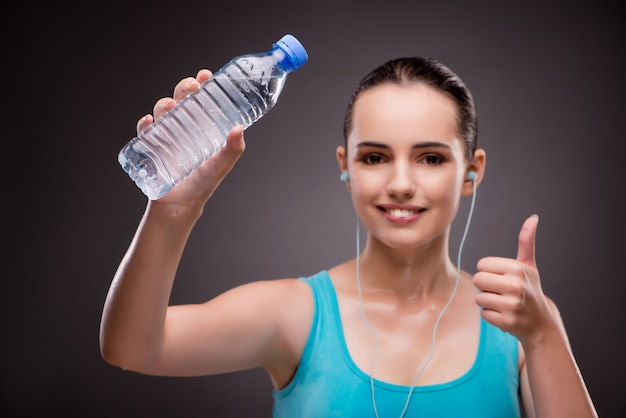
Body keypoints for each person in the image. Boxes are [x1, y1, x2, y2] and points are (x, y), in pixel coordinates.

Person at [100, 56, 598, 417]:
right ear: (346, 167)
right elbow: (131, 348)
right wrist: (173, 211)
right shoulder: (293, 315)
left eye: (430, 157)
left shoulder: (520, 323)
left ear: (472, 171)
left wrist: (543, 332)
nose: (401, 183)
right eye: (375, 157)